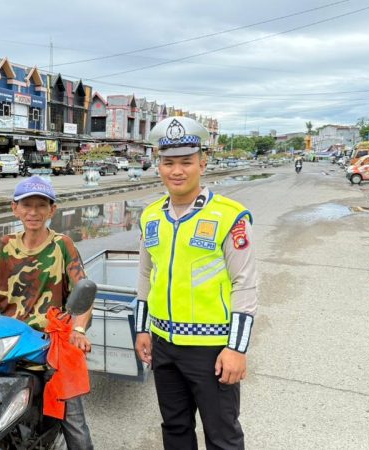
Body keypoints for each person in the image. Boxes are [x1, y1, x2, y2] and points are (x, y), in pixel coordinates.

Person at [134, 116, 258, 449]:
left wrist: (236, 348)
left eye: (186, 162)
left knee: (222, 435)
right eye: (168, 162)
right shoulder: (150, 216)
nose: (177, 170)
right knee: (174, 428)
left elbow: (244, 285)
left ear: (202, 163)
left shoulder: (230, 216)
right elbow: (147, 275)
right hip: (163, 345)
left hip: (212, 349)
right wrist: (142, 329)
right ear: (158, 166)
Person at [0, 175, 95, 449]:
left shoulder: (62, 245)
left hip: (51, 343)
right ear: (14, 208)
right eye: (26, 205)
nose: (33, 212)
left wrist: (78, 330)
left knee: (74, 421)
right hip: (11, 344)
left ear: (52, 210)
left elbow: (84, 293)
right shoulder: (5, 245)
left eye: (41, 205)